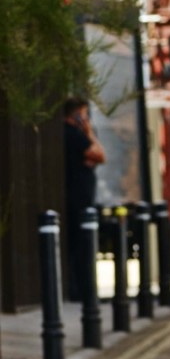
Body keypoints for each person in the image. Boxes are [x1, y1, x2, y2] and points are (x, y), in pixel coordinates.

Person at [63, 94, 106, 301]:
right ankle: (82, 292)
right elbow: (100, 155)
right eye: (85, 115)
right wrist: (89, 133)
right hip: (78, 202)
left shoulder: (69, 135)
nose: (87, 119)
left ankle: (79, 291)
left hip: (77, 200)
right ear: (77, 115)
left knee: (76, 248)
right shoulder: (75, 135)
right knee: (81, 249)